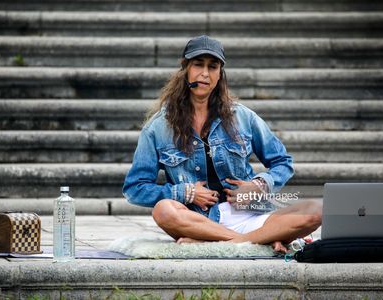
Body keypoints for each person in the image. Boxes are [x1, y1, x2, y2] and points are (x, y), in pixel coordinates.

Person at [122, 35, 321, 253]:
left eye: (213, 67)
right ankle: (258, 240)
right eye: (198, 65)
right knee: (163, 211)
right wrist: (183, 193)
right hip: (198, 222)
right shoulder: (158, 127)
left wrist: (258, 185)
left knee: (315, 210)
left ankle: (232, 243)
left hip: (251, 213)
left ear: (220, 74)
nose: (205, 73)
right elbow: (135, 188)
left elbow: (282, 161)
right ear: (185, 69)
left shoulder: (243, 117)